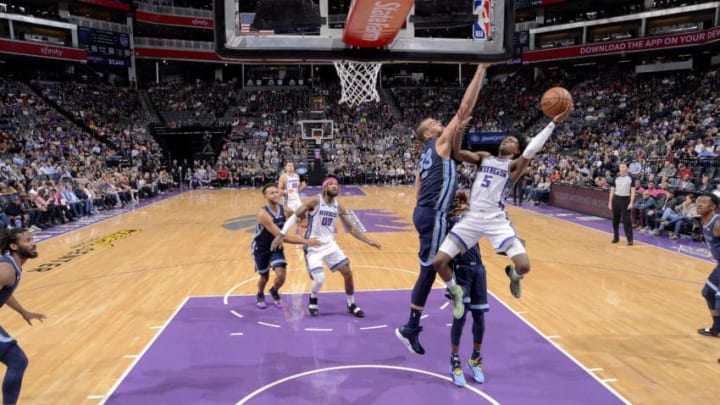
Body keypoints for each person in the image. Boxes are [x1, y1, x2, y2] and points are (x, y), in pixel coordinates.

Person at [432, 102, 573, 314]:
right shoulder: (484, 157)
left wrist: (553, 122)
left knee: (524, 265)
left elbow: (532, 149)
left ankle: (514, 275)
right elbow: (458, 152)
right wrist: (460, 128)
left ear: (517, 150)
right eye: (506, 138)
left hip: (496, 219)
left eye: (512, 141)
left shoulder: (514, 166)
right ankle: (455, 291)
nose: (506, 140)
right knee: (439, 262)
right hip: (471, 218)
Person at [395, 64, 490, 356]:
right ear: (428, 135)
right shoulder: (439, 143)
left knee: (432, 267)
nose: (439, 123)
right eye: (435, 123)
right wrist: (481, 70)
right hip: (433, 216)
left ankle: (412, 327)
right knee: (433, 266)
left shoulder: (427, 154)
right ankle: (456, 293)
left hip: (432, 213)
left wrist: (443, 201)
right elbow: (464, 108)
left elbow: (419, 185)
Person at [271, 176, 381, 317]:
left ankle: (351, 304)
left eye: (336, 184)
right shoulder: (315, 201)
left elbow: (352, 229)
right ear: (325, 187)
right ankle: (313, 296)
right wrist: (281, 234)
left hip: (330, 245)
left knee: (348, 273)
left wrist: (368, 240)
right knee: (320, 279)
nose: (335, 186)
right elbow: (295, 216)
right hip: (313, 245)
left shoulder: (338, 206)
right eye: (331, 184)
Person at [445, 191, 488, 387]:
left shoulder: (470, 216)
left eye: (459, 199)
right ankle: (454, 359)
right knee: (460, 317)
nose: (458, 202)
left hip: (478, 269)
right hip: (460, 269)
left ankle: (475, 358)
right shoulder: (445, 220)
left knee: (479, 316)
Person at [252, 184, 320, 309]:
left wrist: (304, 220)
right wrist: (306, 241)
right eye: (271, 193)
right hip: (261, 247)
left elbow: (299, 217)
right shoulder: (263, 214)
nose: (276, 194)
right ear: (265, 196)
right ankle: (260, 293)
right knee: (264, 277)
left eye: (276, 192)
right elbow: (281, 236)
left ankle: (274, 290)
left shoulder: (285, 210)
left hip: (276, 247)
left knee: (281, 274)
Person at [0, 228, 46, 405]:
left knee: (17, 361)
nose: (33, 242)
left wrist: (23, 312)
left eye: (32, 239)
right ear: (13, 246)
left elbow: (6, 293)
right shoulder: (6, 269)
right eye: (27, 240)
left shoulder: (12, 267)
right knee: (17, 361)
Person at [696, 191, 720, 338]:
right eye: (699, 200)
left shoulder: (717, 224)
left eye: (704, 202)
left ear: (713, 206)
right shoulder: (705, 221)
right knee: (708, 293)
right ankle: (717, 328)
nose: (699, 204)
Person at [609, 162, 635, 246]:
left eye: (624, 167)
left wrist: (631, 202)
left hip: (625, 200)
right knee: (615, 220)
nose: (623, 169)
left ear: (626, 168)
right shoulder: (615, 178)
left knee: (627, 220)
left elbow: (633, 192)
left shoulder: (631, 178)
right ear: (619, 169)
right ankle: (616, 237)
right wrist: (610, 201)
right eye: (621, 167)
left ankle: (630, 239)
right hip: (616, 199)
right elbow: (612, 190)